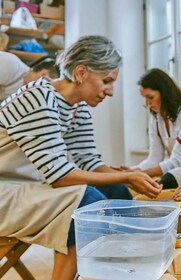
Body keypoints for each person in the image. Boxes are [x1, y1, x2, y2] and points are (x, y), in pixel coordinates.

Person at [0, 35, 162, 280]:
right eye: (106, 81)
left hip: (29, 187)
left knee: (117, 192)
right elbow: (60, 176)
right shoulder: (39, 97)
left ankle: (122, 274)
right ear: (81, 72)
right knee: (85, 201)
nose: (110, 91)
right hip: (5, 191)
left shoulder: (78, 107)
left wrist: (128, 178)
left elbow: (89, 161)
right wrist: (129, 174)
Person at [120, 68, 181, 192]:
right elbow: (154, 158)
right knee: (130, 183)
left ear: (165, 93)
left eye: (150, 97)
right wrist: (131, 171)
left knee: (168, 179)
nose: (147, 103)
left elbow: (176, 161)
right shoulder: (156, 119)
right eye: (144, 97)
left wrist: (135, 175)